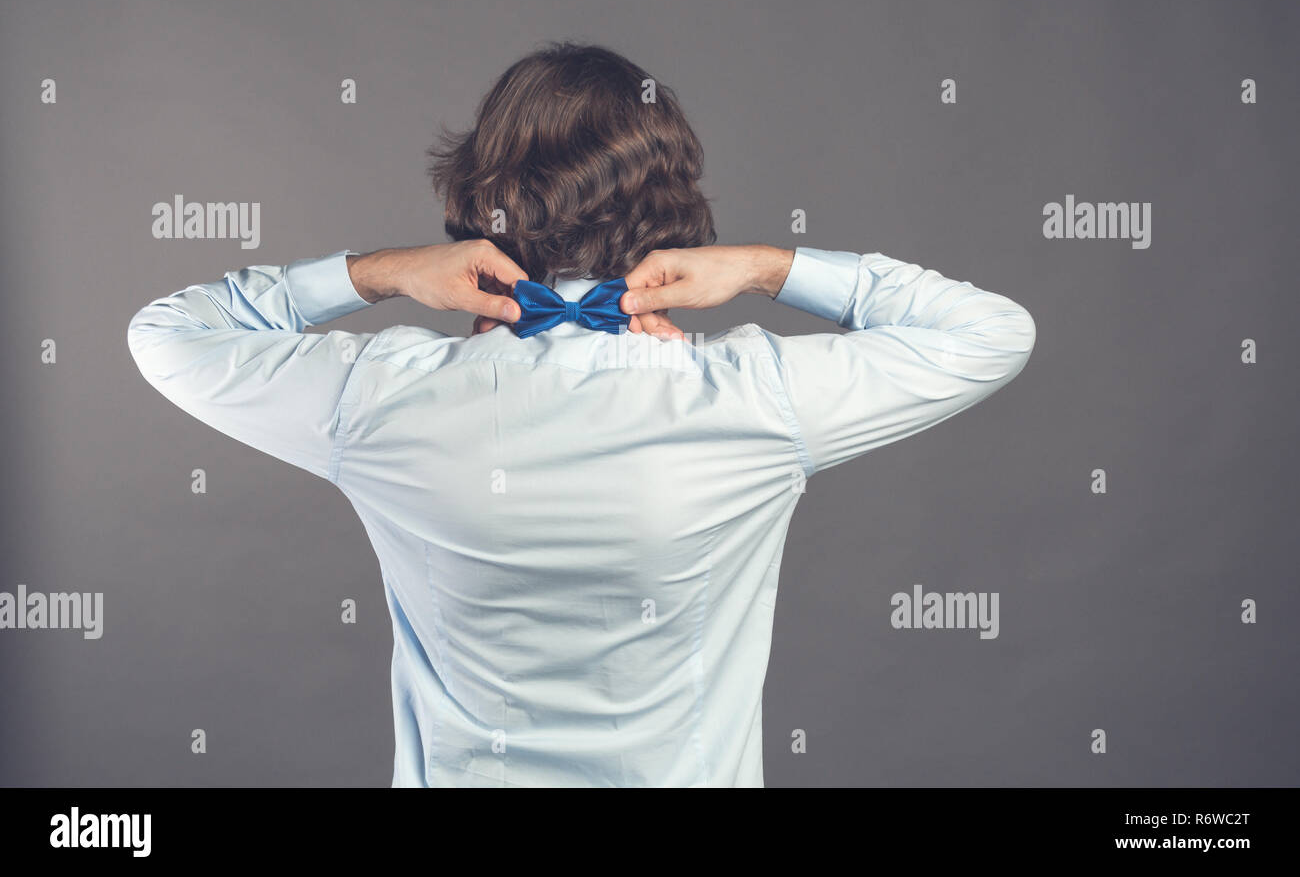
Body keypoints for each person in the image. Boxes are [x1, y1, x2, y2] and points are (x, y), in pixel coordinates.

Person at [128, 42, 1036, 787]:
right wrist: (764, 267)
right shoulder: (754, 401)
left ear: (475, 206)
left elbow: (168, 333)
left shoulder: (378, 398)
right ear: (678, 214)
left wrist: (378, 274)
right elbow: (992, 331)